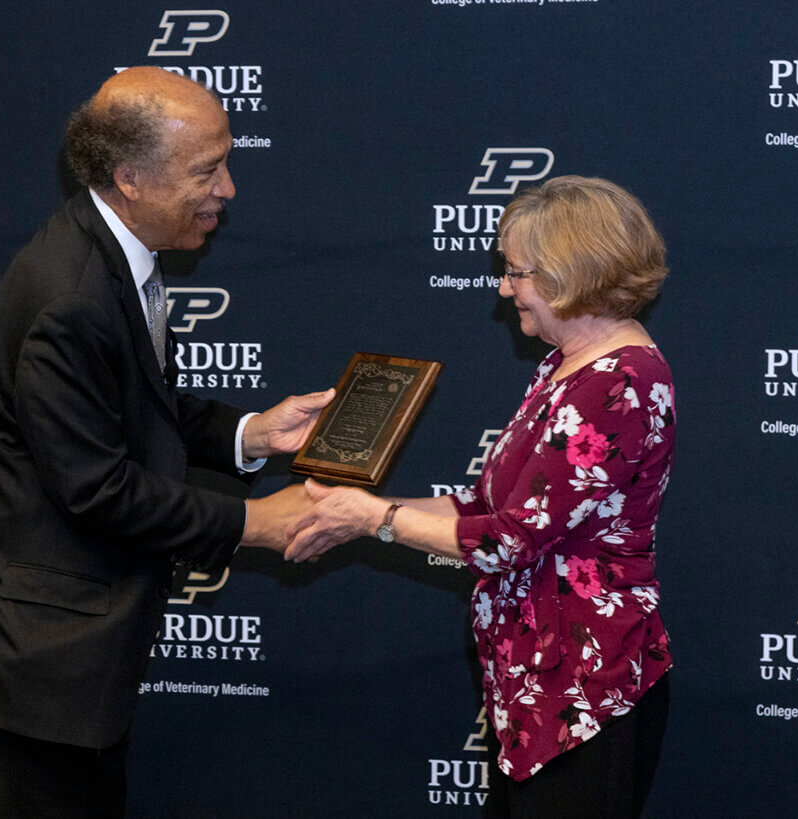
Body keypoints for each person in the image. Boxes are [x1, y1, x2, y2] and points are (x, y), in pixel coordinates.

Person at [0, 66, 332, 819]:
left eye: (226, 160)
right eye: (206, 169)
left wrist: (251, 432)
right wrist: (255, 522)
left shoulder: (113, 250)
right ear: (130, 177)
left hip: (63, 652)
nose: (228, 187)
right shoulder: (70, 295)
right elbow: (97, 488)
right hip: (28, 659)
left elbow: (135, 406)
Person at [286, 176, 674, 817]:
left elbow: (509, 542)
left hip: (585, 687)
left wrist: (376, 518)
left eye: (516, 272)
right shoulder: (566, 364)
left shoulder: (619, 381)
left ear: (568, 274)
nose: (502, 289)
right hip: (537, 684)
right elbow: (488, 509)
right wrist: (355, 513)